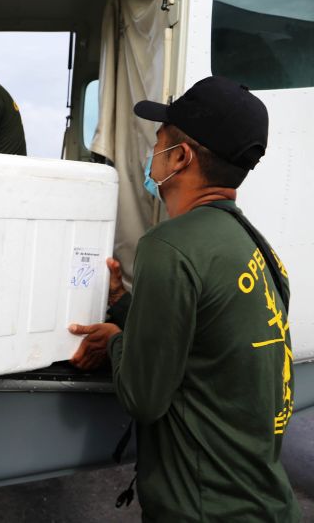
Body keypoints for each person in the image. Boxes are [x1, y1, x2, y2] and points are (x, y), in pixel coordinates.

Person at [68, 76, 301, 521]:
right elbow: (204, 340)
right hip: (267, 505)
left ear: (180, 156)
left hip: (204, 511)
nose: (150, 153)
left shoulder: (169, 245)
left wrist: (114, 340)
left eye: (158, 140)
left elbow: (143, 397)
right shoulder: (257, 249)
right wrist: (121, 301)